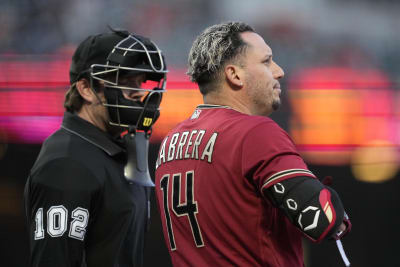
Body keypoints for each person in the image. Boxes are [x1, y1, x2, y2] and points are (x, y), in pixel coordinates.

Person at [154, 21, 351, 267]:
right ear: (235, 75)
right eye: (266, 62)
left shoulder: (171, 141)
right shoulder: (256, 132)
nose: (279, 71)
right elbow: (323, 219)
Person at [23, 28, 167, 267]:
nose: (140, 92)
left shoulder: (115, 149)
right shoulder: (67, 163)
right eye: (126, 81)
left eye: (141, 82)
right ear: (86, 89)